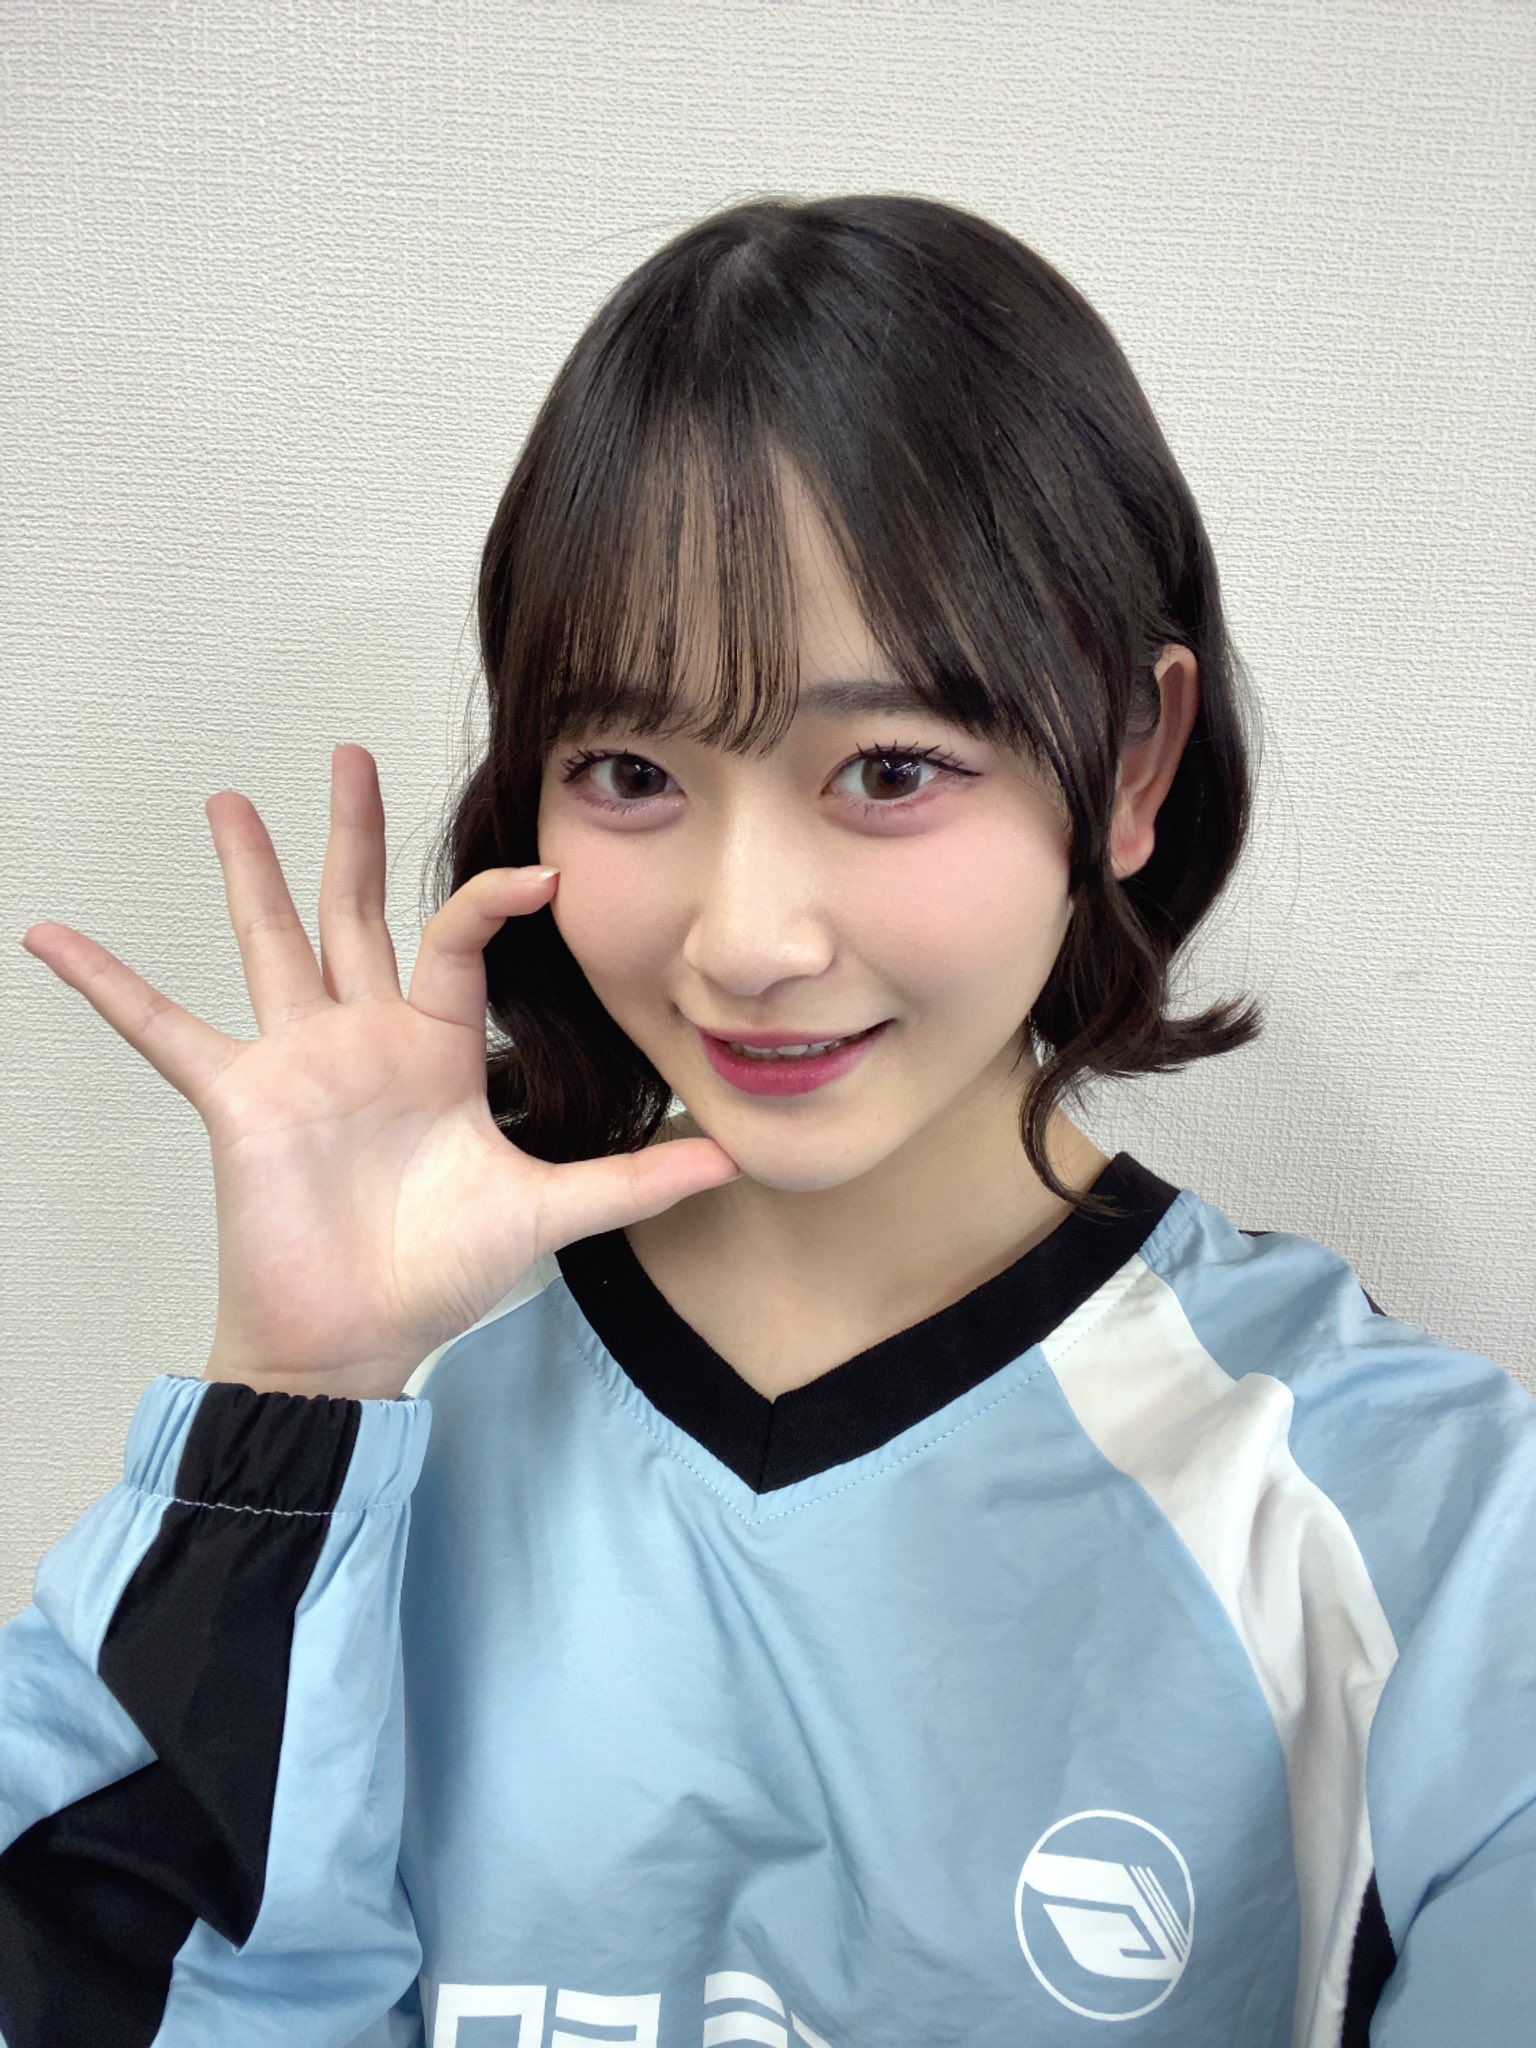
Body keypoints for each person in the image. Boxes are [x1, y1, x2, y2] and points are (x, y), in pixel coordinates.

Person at [2, 194, 1530, 2048]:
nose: (748, 940)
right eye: (630, 771)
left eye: (888, 770)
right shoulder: (367, 1470)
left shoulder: (1425, 1527)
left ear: (1131, 759)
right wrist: (298, 1399)